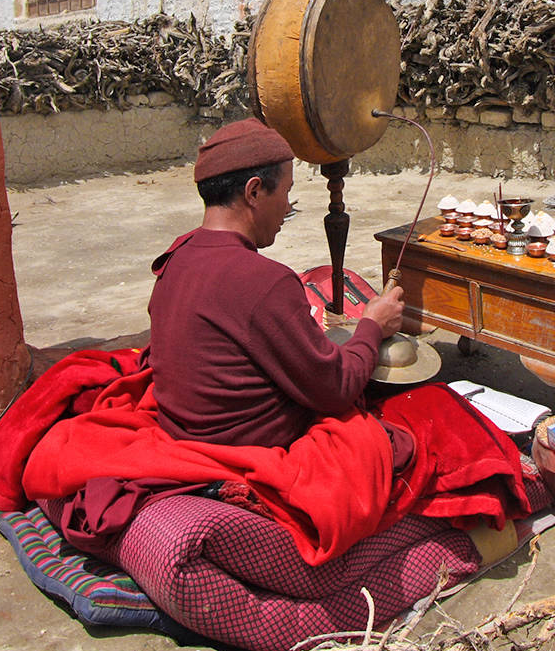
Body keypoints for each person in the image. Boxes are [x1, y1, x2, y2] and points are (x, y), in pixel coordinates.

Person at [145, 117, 406, 451]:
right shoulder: (265, 280)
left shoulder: (176, 256)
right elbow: (337, 389)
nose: (286, 208)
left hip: (181, 432)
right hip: (238, 448)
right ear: (254, 191)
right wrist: (373, 325)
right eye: (286, 193)